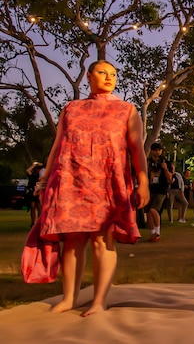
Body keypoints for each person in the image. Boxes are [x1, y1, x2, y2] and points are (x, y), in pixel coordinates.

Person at [33, 60, 150, 316]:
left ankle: (99, 300)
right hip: (71, 181)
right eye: (102, 72)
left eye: (113, 74)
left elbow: (136, 149)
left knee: (102, 239)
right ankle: (69, 298)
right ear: (88, 75)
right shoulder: (71, 109)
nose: (109, 78)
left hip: (107, 183)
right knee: (73, 240)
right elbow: (57, 147)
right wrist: (43, 181)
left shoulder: (126, 110)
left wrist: (143, 182)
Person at [146, 143, 173, 241]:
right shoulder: (148, 162)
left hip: (161, 189)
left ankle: (157, 232)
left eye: (159, 150)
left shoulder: (166, 162)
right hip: (150, 189)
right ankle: (153, 233)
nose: (158, 152)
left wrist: (165, 168)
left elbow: (170, 178)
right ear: (152, 151)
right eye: (156, 150)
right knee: (148, 212)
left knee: (154, 209)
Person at [24, 161, 44, 226]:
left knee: (39, 207)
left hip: (38, 191)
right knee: (33, 207)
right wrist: (34, 165)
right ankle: (33, 222)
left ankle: (39, 222)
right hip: (32, 191)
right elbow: (28, 170)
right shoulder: (32, 175)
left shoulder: (41, 175)